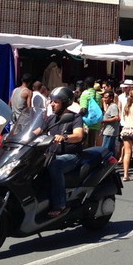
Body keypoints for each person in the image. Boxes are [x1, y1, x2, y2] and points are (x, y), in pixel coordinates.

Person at [36, 86, 84, 217]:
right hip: (51, 155)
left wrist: (65, 137)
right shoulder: (51, 119)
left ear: (65, 103)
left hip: (71, 156)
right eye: (51, 101)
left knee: (55, 166)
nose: (52, 104)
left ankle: (60, 204)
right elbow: (37, 132)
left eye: (55, 102)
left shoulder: (75, 118)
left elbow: (78, 135)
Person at [79, 77, 102, 147]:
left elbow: (83, 109)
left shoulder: (85, 94)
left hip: (87, 123)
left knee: (84, 145)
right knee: (92, 144)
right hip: (96, 123)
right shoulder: (98, 95)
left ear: (85, 85)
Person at [100, 91, 120, 158]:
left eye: (106, 97)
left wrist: (104, 121)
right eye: (104, 97)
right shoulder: (110, 106)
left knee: (105, 150)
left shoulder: (113, 106)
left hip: (109, 132)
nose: (104, 99)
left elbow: (116, 118)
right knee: (111, 150)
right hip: (109, 131)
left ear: (111, 98)